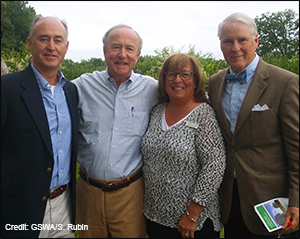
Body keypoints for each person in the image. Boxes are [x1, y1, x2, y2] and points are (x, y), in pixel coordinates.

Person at [207, 12, 299, 238]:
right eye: (228, 41)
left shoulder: (285, 82)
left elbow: (296, 149)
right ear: (221, 45)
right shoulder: (215, 82)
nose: (235, 47)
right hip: (230, 200)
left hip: (274, 203)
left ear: (256, 41)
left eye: (242, 40)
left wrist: (296, 202)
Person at [73, 24, 159, 238]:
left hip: (130, 193)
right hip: (88, 192)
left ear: (138, 55)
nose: (122, 54)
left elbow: (188, 97)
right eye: (115, 47)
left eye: (129, 49)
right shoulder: (82, 86)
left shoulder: (152, 89)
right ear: (104, 52)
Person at [1, 16, 79, 238]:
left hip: (64, 206)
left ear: (66, 47)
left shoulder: (71, 91)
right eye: (44, 39)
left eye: (58, 40)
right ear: (30, 43)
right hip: (20, 211)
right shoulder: (7, 89)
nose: (51, 47)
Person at [141, 53, 226, 238]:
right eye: (171, 74)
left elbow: (215, 166)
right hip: (155, 217)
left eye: (185, 74)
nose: (177, 79)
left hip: (193, 224)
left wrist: (192, 214)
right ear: (163, 80)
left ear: (195, 80)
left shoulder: (204, 115)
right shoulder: (157, 111)